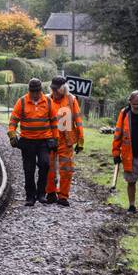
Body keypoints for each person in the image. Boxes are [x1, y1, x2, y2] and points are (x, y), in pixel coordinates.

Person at [8, 77, 58, 207]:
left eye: (37, 91)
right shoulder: (22, 102)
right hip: (27, 141)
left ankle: (41, 193)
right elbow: (13, 120)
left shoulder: (48, 101)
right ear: (29, 91)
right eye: (32, 91)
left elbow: (54, 121)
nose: (35, 94)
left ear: (40, 90)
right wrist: (12, 134)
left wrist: (55, 138)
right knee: (28, 170)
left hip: (44, 141)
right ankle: (30, 196)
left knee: (45, 164)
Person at [44, 76, 84, 207]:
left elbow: (78, 120)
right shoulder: (47, 99)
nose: (54, 91)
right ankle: (50, 193)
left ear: (63, 89)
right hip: (50, 139)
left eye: (56, 89)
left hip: (66, 140)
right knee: (48, 168)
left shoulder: (71, 100)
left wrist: (80, 140)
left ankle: (63, 196)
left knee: (66, 169)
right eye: (53, 89)